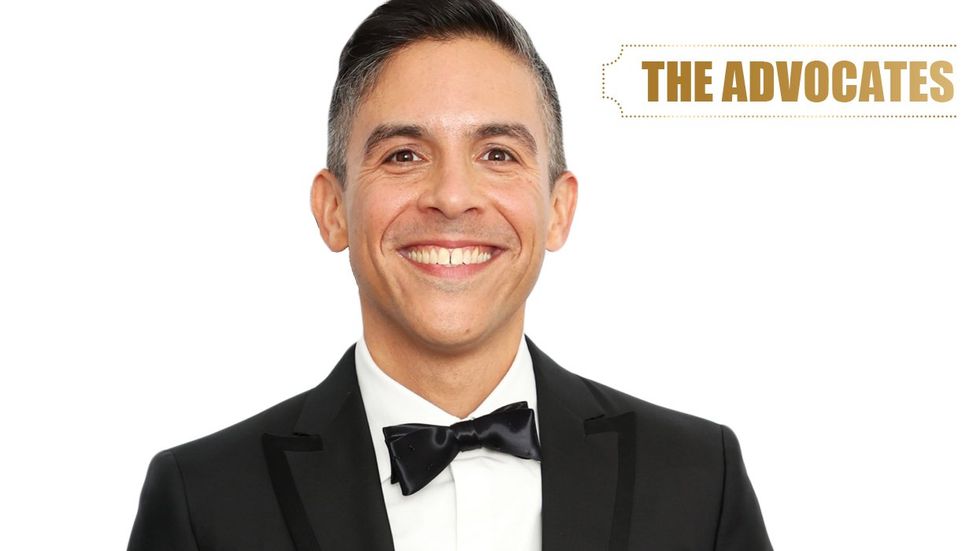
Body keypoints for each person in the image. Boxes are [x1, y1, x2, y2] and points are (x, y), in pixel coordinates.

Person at [126, 1, 773, 549]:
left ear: (558, 209)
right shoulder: (202, 500)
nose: (454, 197)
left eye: (498, 154)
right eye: (404, 155)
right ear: (333, 209)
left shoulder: (699, 480)